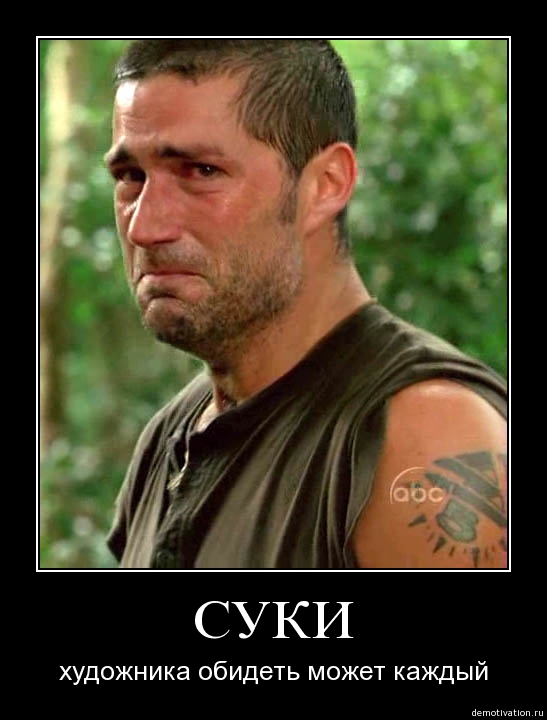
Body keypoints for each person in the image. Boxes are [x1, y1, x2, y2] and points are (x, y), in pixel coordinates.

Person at [105, 39, 507, 569]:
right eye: (131, 177)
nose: (144, 226)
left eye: (201, 171)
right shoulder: (172, 434)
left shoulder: (423, 433)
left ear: (325, 185)